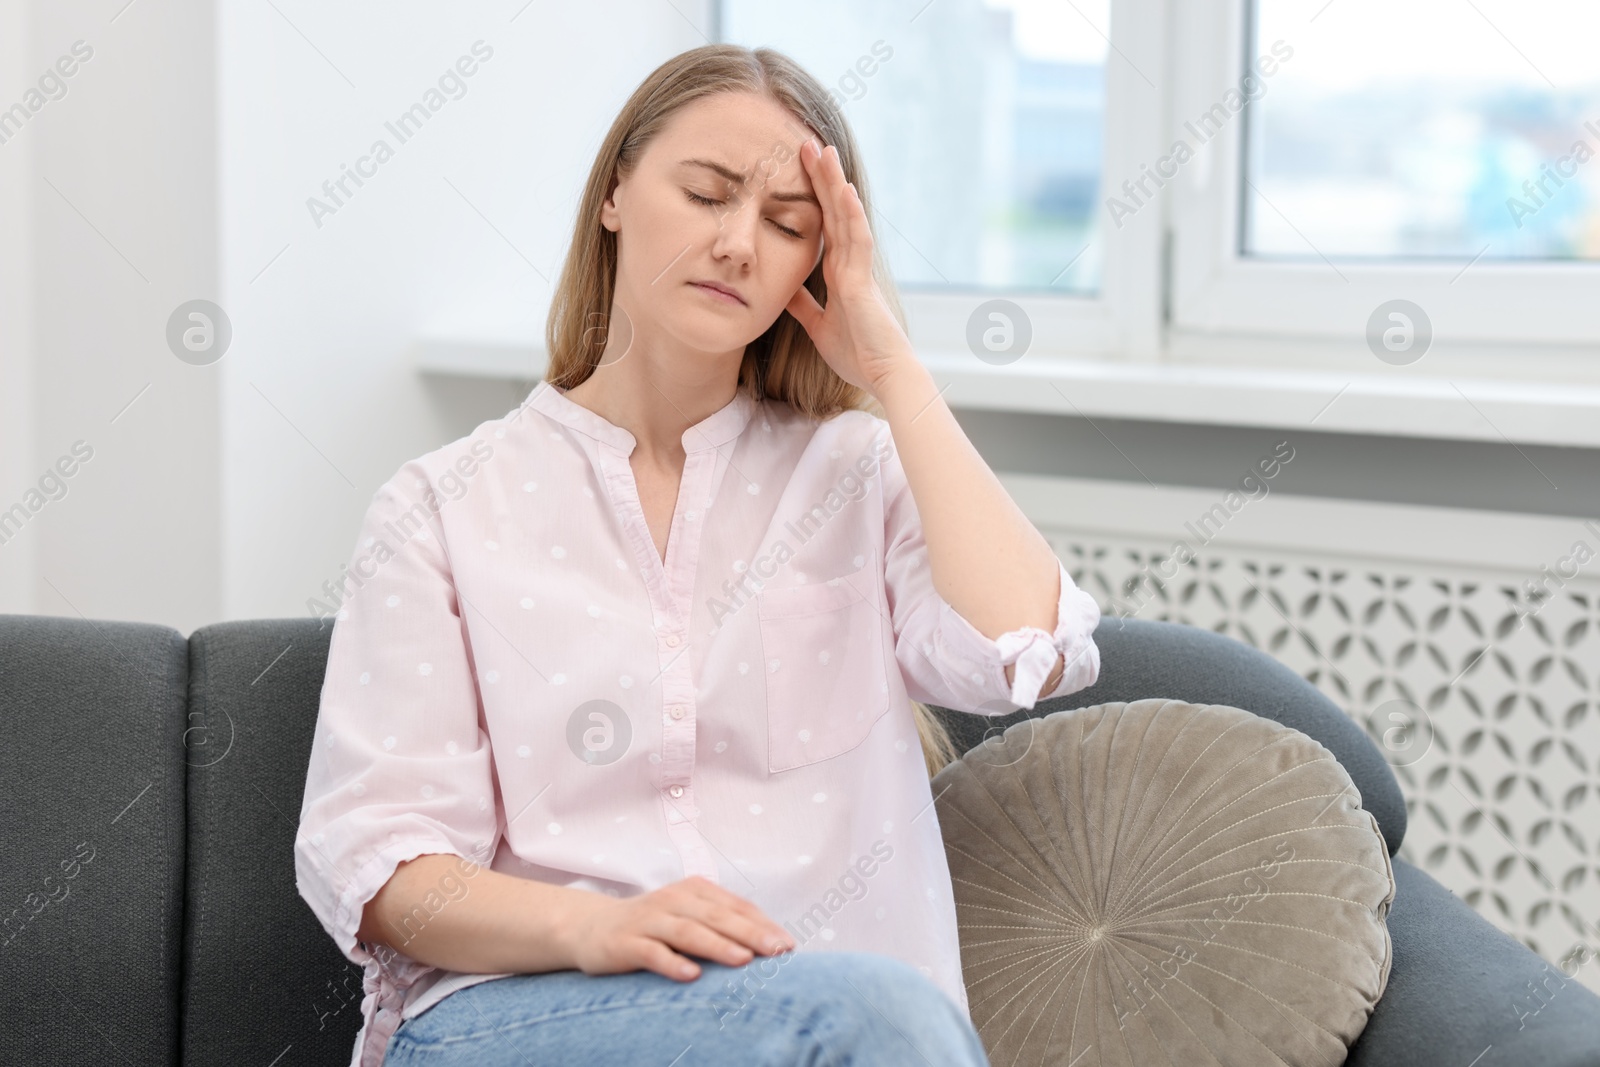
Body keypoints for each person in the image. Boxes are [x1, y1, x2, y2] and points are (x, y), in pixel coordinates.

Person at [294, 42, 1102, 1067]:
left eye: (786, 225)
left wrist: (893, 371)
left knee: (861, 1010)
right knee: (864, 1014)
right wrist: (595, 929)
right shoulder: (439, 507)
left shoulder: (853, 471)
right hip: (529, 1012)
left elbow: (1020, 647)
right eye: (707, 194)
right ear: (616, 193)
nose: (737, 245)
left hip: (828, 1019)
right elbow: (382, 866)